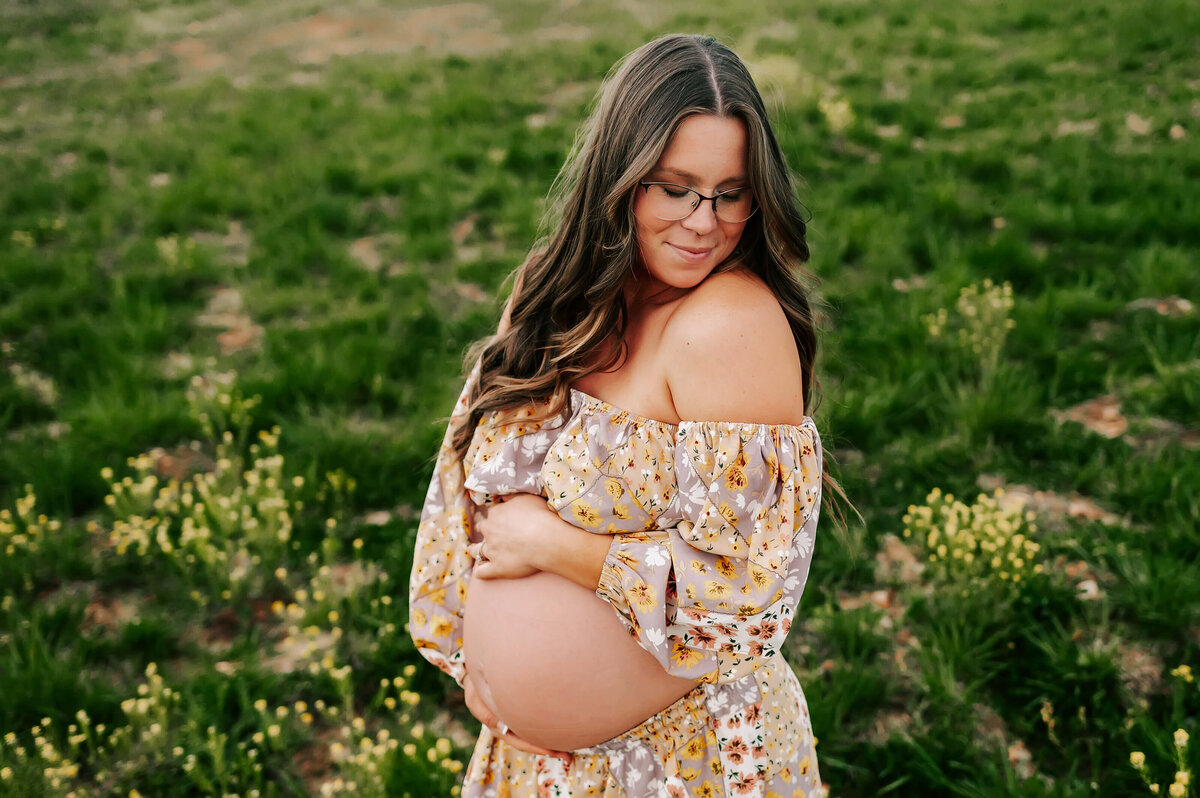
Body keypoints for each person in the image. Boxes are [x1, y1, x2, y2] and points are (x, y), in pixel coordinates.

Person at [409, 33, 839, 797]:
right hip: (531, 764)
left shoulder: (730, 327)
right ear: (621, 176)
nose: (704, 222)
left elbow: (749, 600)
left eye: (731, 193)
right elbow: (465, 483)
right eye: (675, 188)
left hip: (680, 766)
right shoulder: (555, 301)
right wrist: (480, 663)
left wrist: (551, 542)